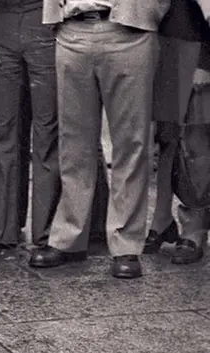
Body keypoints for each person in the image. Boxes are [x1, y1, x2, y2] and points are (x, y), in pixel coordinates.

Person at [29, 0, 171, 279]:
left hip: (129, 30)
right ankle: (68, 238)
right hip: (72, 30)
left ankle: (126, 244)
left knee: (131, 143)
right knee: (73, 142)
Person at [0, 0, 60, 253]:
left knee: (47, 132)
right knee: (1, 132)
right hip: (0, 25)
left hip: (44, 23)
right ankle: (0, 229)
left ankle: (47, 232)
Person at [151, 0, 210, 264]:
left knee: (196, 142)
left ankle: (195, 229)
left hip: (194, 46)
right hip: (163, 42)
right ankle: (162, 221)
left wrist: (205, 61)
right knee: (167, 137)